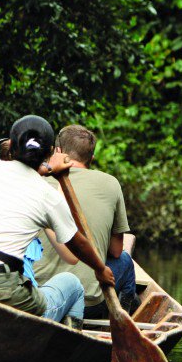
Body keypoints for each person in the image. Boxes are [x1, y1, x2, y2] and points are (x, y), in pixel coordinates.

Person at [0, 115, 114, 330]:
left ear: (11, 145)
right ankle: (65, 347)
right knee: (73, 285)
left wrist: (46, 168)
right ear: (49, 153)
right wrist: (101, 269)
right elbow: (77, 246)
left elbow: (20, 173)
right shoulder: (48, 195)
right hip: (0, 289)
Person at [32, 124, 139, 319]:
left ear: (57, 151)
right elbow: (115, 251)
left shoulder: (35, 181)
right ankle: (122, 318)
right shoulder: (110, 183)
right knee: (125, 260)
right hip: (91, 303)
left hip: (38, 297)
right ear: (92, 158)